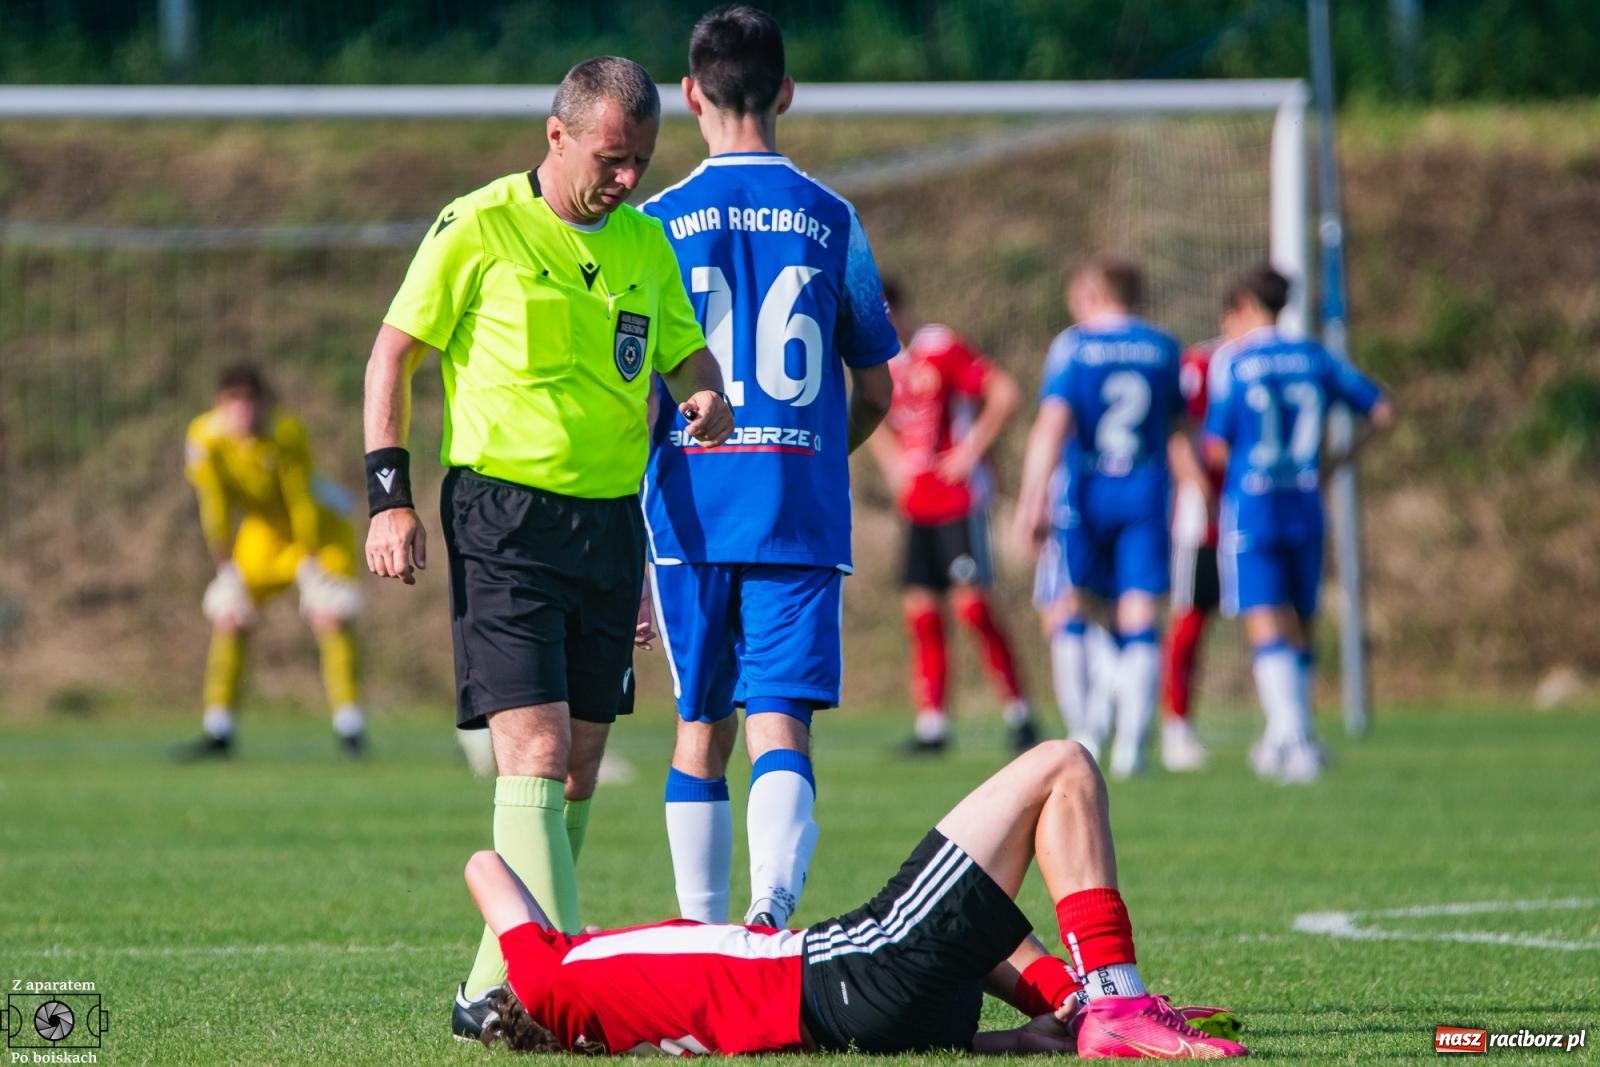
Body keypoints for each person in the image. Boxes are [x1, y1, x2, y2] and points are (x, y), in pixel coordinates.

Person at [361, 56, 734, 1039]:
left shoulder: (646, 244)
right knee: (529, 749)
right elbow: (394, 352)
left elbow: (681, 353)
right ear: (557, 134)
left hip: (611, 523)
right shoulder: (477, 224)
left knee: (574, 767)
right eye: (613, 159)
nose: (626, 180)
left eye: (642, 162)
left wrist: (706, 387)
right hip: (504, 517)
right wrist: (386, 496)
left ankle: (493, 990)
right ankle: (575, 993)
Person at [463, 739, 1249, 1059]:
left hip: (865, 1015)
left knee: (969, 918)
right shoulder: (553, 974)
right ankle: (1114, 999)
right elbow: (484, 866)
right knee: (1064, 764)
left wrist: (1002, 1046)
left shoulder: (616, 1017)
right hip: (855, 964)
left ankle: (1083, 1003)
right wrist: (547, 931)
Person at [638, 6, 897, 931]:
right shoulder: (834, 220)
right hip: (795, 510)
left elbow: (637, 406)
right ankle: (770, 916)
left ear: (691, 95)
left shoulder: (654, 223)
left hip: (689, 514)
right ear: (786, 91)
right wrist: (820, 452)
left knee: (699, 729)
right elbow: (875, 389)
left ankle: (704, 937)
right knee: (780, 721)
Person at [1014, 256, 1207, 778]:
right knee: (1141, 616)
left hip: (1086, 491)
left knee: (1070, 607)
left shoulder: (1075, 345)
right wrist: (1201, 489)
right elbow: (1179, 430)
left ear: (1095, 292)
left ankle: (1084, 734)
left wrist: (1032, 497)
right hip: (1146, 492)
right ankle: (1132, 744)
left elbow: (1052, 424)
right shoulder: (1165, 347)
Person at [1204, 265, 1394, 783]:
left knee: (1265, 618)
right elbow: (1382, 411)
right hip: (1306, 502)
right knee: (1301, 620)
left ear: (1243, 305)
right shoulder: (1314, 357)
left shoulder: (1235, 362)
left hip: (1255, 503)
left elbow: (1216, 445)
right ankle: (1291, 734)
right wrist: (1335, 462)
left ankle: (1291, 739)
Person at [867, 279, 1038, 754]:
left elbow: (1004, 392)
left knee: (973, 607)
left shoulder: (939, 347)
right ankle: (933, 725)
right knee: (921, 613)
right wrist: (894, 465)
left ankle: (1020, 713)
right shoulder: (883, 362)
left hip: (960, 499)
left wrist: (971, 449)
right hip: (918, 503)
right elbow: (868, 411)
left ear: (898, 311)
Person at [176, 363, 366, 759]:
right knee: (231, 617)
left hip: (318, 531)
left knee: (329, 616)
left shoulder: (286, 433)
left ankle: (350, 728)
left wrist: (312, 560)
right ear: (219, 406)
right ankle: (218, 730)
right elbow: (212, 501)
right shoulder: (204, 438)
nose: (243, 413)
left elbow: (302, 499)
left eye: (251, 402)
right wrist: (224, 560)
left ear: (265, 405)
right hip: (262, 534)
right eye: (234, 403)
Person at [1160, 336, 1226, 772]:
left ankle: (1289, 729)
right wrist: (1200, 488)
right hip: (1202, 516)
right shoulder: (1200, 365)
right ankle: (1176, 728)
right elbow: (1176, 431)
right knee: (1191, 619)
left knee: (1279, 617)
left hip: (1255, 511)